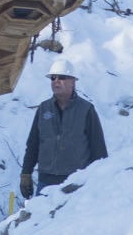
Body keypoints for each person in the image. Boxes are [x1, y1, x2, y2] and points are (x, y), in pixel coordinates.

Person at [20, 59, 107, 197]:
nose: (56, 81)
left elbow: (98, 149)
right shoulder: (43, 109)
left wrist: (100, 180)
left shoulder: (86, 110)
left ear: (73, 81)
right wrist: (25, 174)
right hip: (45, 182)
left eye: (61, 77)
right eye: (53, 78)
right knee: (41, 218)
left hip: (75, 183)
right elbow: (33, 144)